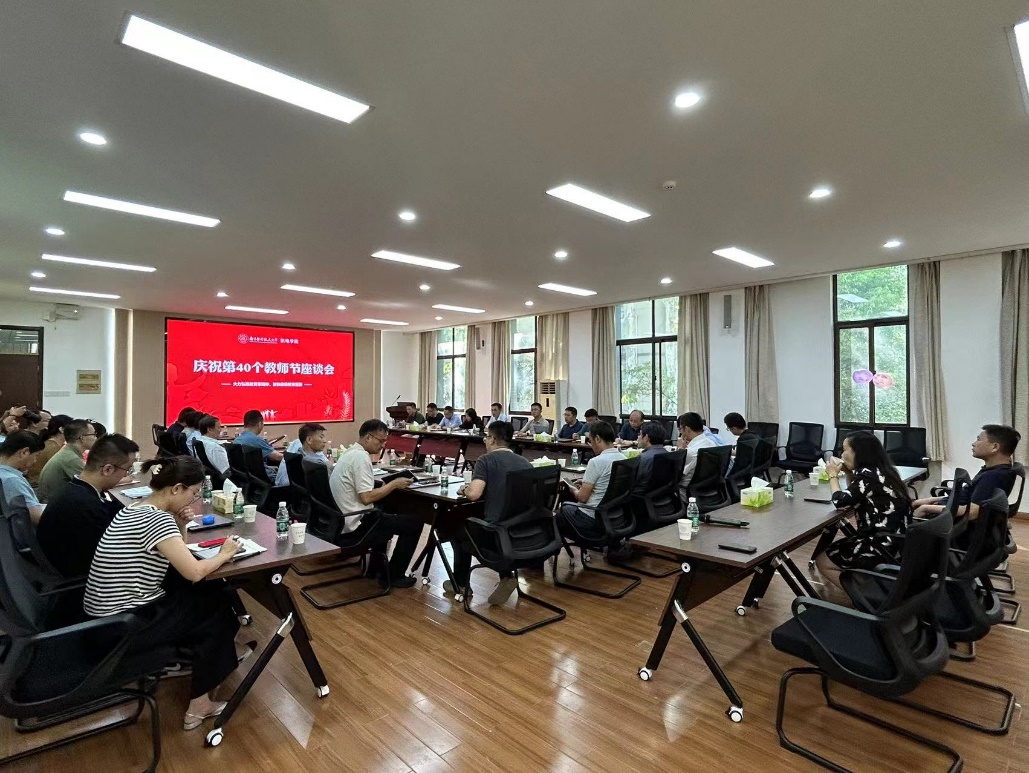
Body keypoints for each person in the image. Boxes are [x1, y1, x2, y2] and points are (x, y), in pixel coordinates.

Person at [83, 456, 255, 732]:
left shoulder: (136, 508)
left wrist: (181, 524)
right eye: (193, 492)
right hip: (123, 624)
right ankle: (200, 705)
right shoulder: (157, 520)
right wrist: (225, 553)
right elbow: (194, 571)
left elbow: (176, 557)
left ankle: (213, 657)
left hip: (105, 616)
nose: (193, 500)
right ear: (176, 488)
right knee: (212, 608)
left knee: (209, 592)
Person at [329, 419, 424, 588]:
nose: (383, 445)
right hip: (356, 523)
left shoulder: (350, 453)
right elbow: (366, 498)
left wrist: (385, 486)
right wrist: (393, 484)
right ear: (368, 437)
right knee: (415, 523)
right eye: (381, 441)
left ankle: (376, 568)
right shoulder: (360, 457)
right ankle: (394, 576)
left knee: (387, 508)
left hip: (341, 519)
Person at [446, 421, 532, 604]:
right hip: (520, 530)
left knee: (456, 530)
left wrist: (465, 489)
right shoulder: (525, 462)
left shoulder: (486, 460)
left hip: (494, 532)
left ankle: (461, 584)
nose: (485, 440)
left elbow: (474, 494)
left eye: (486, 436)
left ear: (492, 439)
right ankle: (506, 577)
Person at [815, 431, 912, 590]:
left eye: (845, 449)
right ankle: (868, 591)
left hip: (881, 544)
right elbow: (855, 494)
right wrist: (848, 472)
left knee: (823, 561)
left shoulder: (867, 476)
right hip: (898, 542)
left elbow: (840, 500)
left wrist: (833, 475)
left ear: (858, 452)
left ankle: (863, 598)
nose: (842, 454)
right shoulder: (882, 471)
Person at [37, 434, 140, 578]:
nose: (126, 474)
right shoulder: (83, 505)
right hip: (82, 578)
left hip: (68, 564)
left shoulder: (76, 489)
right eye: (127, 470)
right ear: (107, 470)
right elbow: (111, 557)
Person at [911, 424, 1021, 521]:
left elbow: (972, 512)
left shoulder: (993, 477)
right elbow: (965, 496)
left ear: (994, 447)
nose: (973, 444)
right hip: (949, 509)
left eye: (978, 439)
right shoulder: (995, 470)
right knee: (915, 504)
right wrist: (930, 500)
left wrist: (926, 508)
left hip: (950, 522)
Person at [557, 421, 623, 535]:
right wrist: (586, 482)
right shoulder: (623, 457)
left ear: (597, 439)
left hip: (592, 517)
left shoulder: (596, 462)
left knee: (561, 512)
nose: (591, 446)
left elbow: (582, 498)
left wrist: (573, 489)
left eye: (591, 441)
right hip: (615, 514)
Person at [38, 420, 97, 503]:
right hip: (56, 506)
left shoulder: (68, 452)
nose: (96, 438)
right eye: (94, 434)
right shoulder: (70, 458)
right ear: (82, 438)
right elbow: (93, 484)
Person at [0, 430, 46, 524]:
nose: (35, 461)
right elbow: (37, 516)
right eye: (36, 456)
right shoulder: (11, 480)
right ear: (24, 452)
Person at [232, 409, 282, 479]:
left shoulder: (237, 440)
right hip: (265, 479)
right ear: (260, 424)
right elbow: (277, 457)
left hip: (247, 478)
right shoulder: (256, 440)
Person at [677, 412, 718, 497]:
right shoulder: (712, 443)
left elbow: (676, 473)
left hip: (685, 492)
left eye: (680, 429)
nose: (681, 432)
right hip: (709, 490)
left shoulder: (690, 452)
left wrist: (680, 449)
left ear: (687, 429)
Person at [27, 413, 73, 486]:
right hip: (38, 485)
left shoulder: (52, 444)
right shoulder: (52, 447)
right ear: (61, 429)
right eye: (72, 428)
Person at [635, 421, 669, 494]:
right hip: (661, 493)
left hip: (641, 494)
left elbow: (635, 480)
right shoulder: (668, 454)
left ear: (646, 438)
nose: (638, 437)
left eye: (640, 434)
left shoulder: (643, 458)